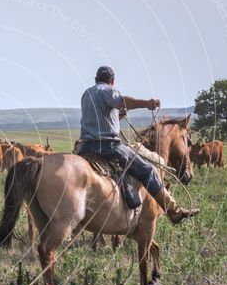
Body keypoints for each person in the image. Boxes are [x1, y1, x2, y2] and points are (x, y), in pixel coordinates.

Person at [78, 66, 198, 223]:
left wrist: (116, 117)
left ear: (95, 79)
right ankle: (172, 210)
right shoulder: (108, 90)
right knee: (148, 170)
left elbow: (100, 118)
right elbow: (122, 101)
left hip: (85, 147)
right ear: (112, 81)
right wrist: (147, 103)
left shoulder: (86, 94)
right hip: (108, 147)